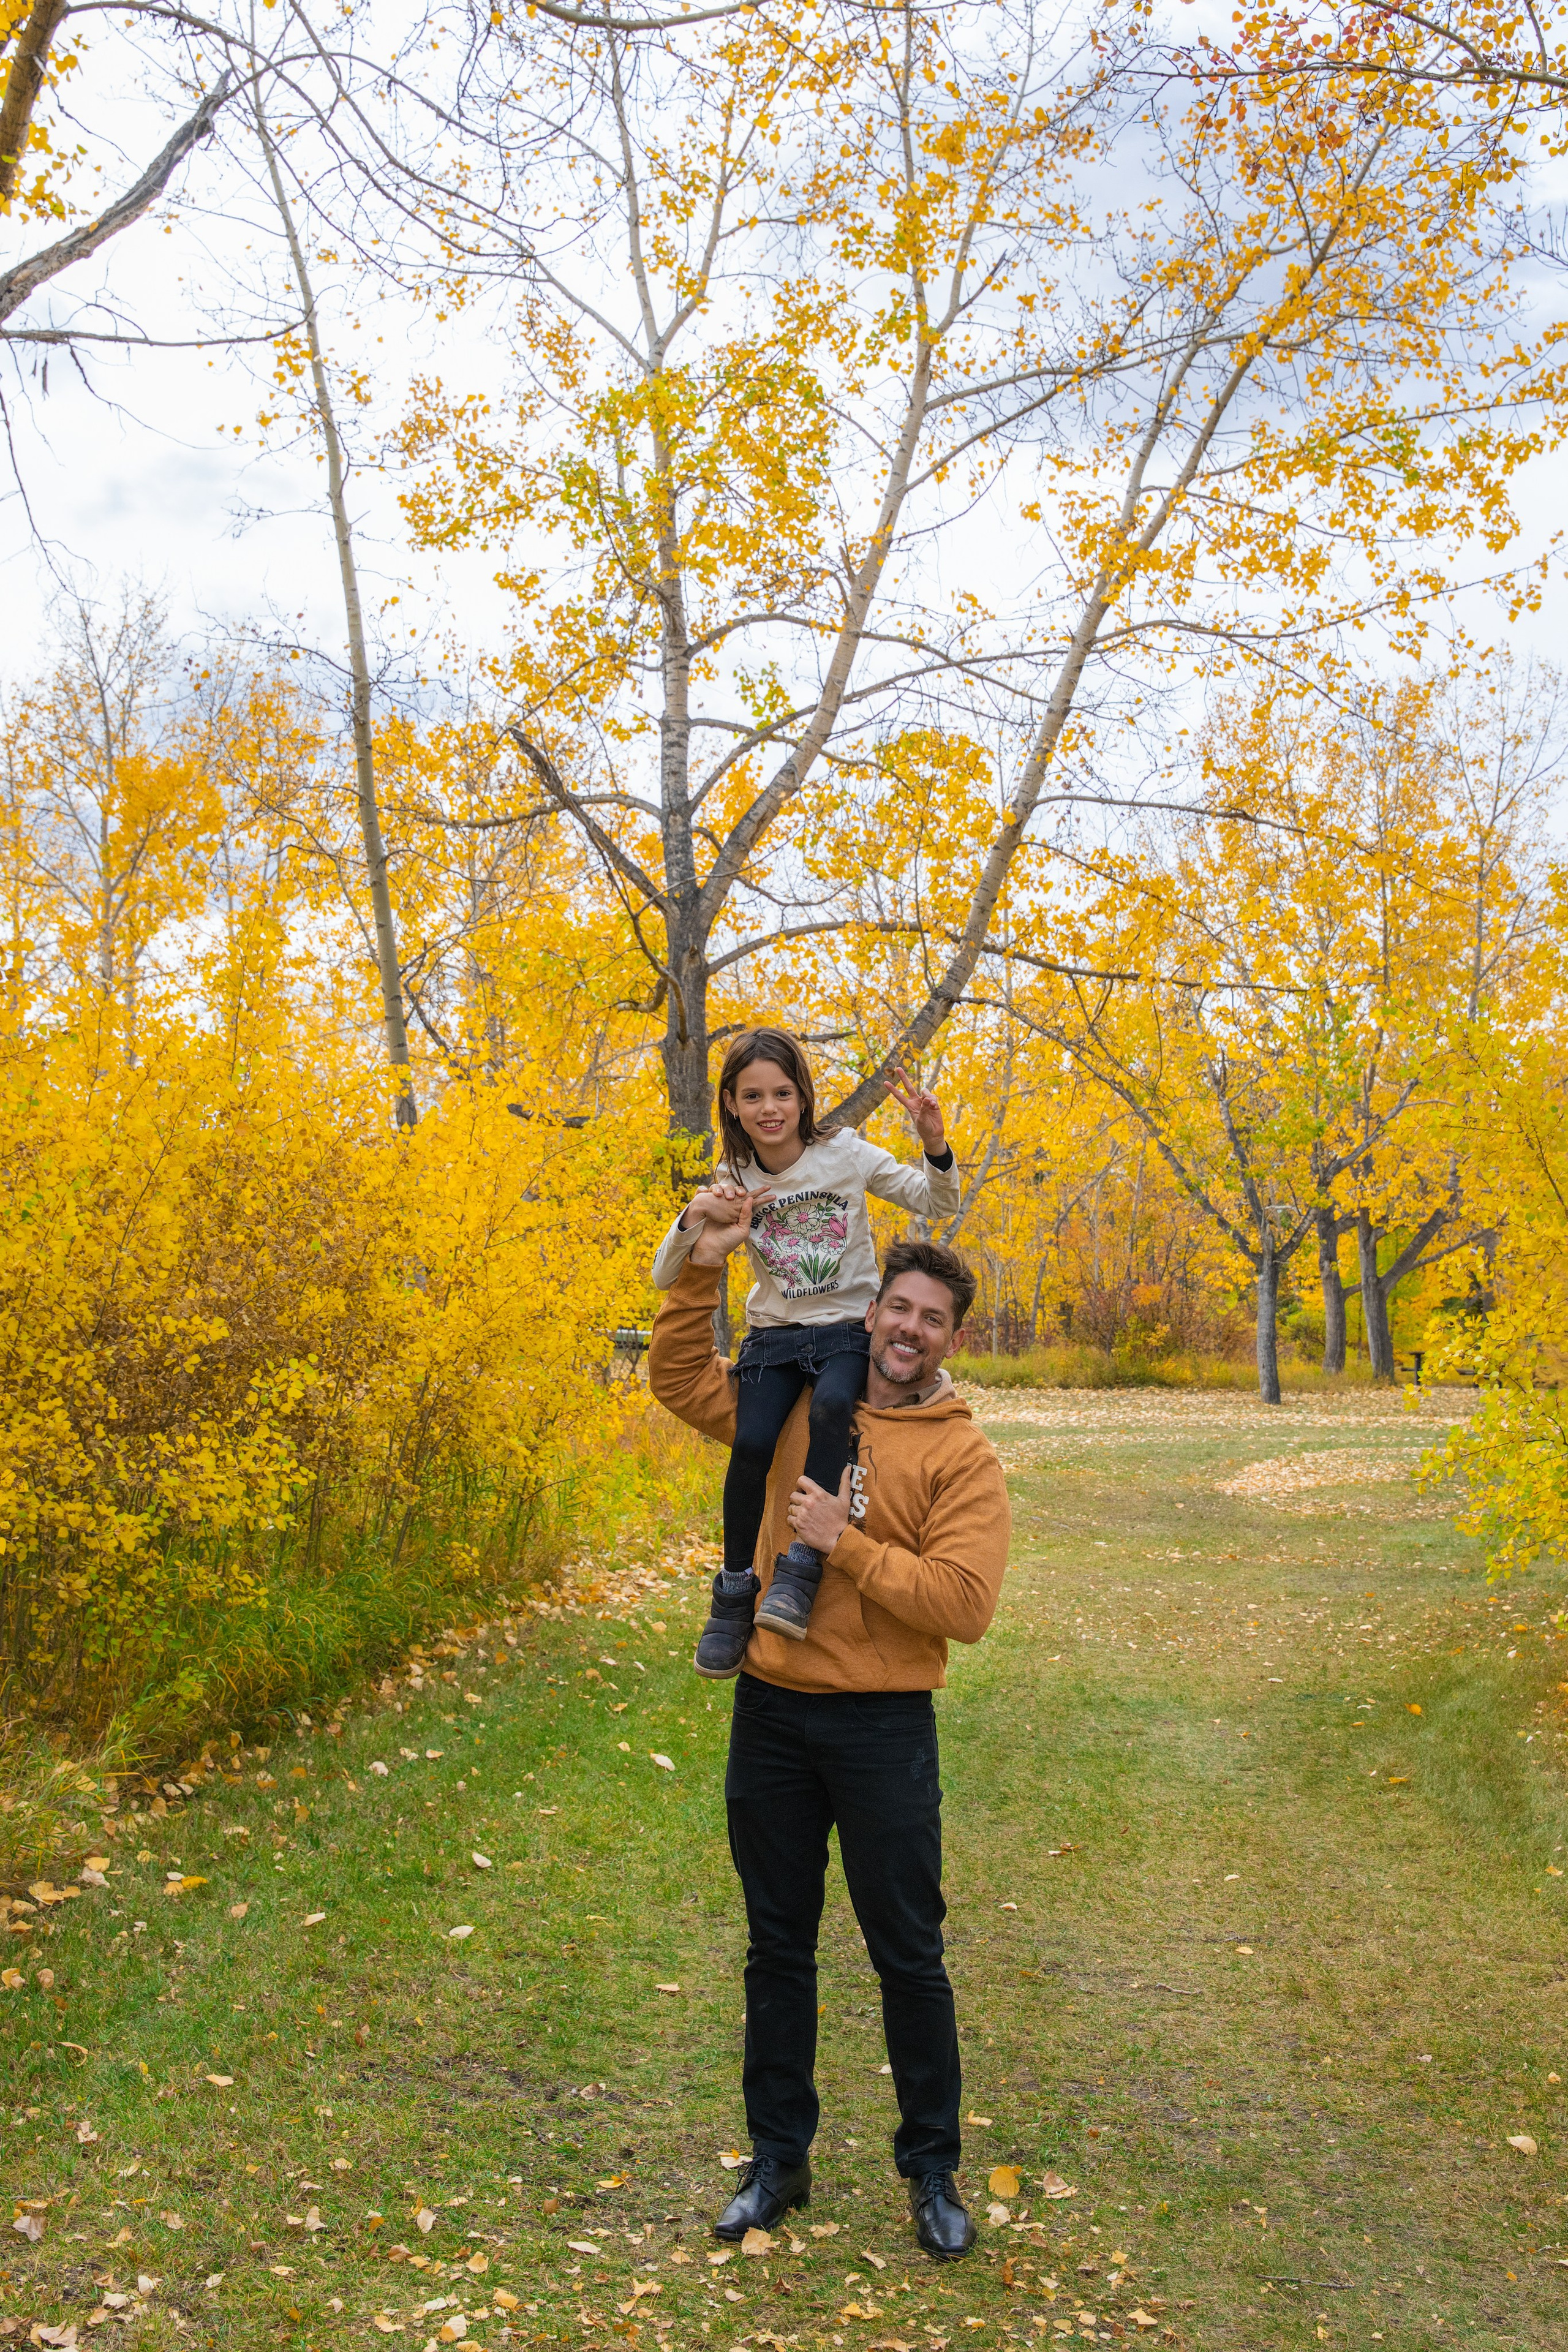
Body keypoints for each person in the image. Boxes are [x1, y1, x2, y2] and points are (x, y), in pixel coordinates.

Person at [648, 1209, 1011, 2263]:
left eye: (931, 1319)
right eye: (896, 1306)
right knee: (778, 1947)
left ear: (951, 1339)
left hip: (884, 1727)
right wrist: (696, 1276)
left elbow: (963, 1603)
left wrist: (841, 1546)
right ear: (870, 1310)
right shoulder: (804, 1399)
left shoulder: (963, 1458)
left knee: (909, 1954)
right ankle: (777, 2162)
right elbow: (680, 1383)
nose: (908, 1328)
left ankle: (932, 2169)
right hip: (772, 1711)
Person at [652, 1028, 960, 1676]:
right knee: (755, 1442)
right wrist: (695, 1218)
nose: (771, 1108)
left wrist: (933, 1143)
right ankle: (734, 1589)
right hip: (773, 1338)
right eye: (753, 1096)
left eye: (783, 1093)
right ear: (731, 1105)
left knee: (830, 1414)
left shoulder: (843, 1153)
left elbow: (935, 1200)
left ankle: (799, 1570)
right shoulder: (733, 1177)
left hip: (845, 1329)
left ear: (803, 1097)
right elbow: (663, 1276)